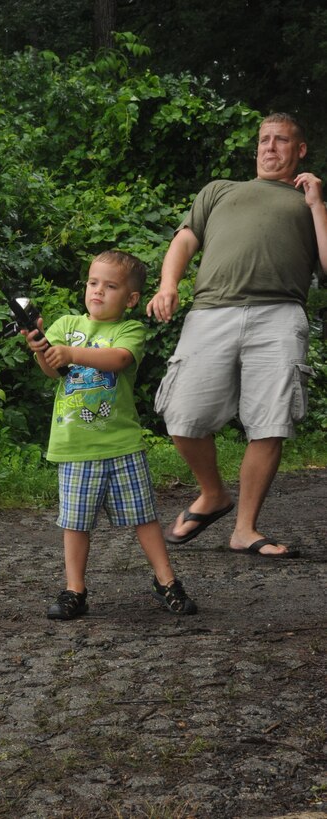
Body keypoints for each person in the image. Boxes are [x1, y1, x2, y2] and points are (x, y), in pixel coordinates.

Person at [146, 112, 327, 558]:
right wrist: (168, 285)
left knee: (270, 422)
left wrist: (317, 203)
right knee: (182, 415)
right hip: (211, 312)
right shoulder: (219, 190)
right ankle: (213, 495)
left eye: (280, 140)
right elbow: (185, 241)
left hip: (280, 315)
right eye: (264, 140)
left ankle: (245, 529)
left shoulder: (309, 203)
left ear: (299, 150)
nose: (269, 147)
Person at [23, 249, 197, 620]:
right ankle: (75, 590)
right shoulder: (65, 325)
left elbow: (117, 360)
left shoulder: (128, 330)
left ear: (131, 299)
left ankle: (166, 581)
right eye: (92, 282)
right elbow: (52, 371)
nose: (97, 291)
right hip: (75, 447)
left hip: (122, 445)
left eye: (110, 286)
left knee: (144, 517)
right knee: (75, 522)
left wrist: (70, 353)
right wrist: (42, 349)